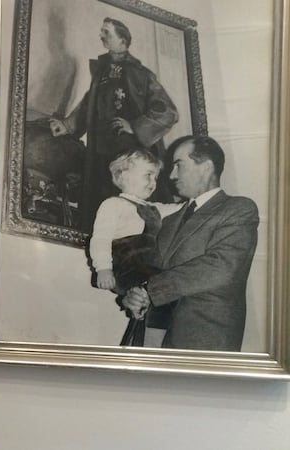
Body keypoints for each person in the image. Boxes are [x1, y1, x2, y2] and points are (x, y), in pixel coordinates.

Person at [121, 136, 259, 351]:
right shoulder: (169, 219)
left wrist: (151, 289)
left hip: (204, 342)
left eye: (178, 165)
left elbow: (221, 267)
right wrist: (134, 293)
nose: (172, 175)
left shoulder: (238, 209)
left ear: (206, 167)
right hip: (152, 341)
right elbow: (148, 269)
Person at [49, 17, 179, 231]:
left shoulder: (141, 75)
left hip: (128, 151)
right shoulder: (101, 73)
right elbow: (89, 104)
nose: (101, 36)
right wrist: (68, 126)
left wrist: (135, 127)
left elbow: (167, 110)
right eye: (102, 31)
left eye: (107, 32)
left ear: (123, 41)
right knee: (101, 205)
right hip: (100, 152)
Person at [88, 148, 181, 345]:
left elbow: (176, 210)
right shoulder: (113, 204)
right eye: (148, 175)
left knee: (165, 297)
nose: (153, 183)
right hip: (127, 264)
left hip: (149, 267)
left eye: (155, 177)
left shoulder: (154, 208)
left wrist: (191, 204)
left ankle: (150, 335)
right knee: (154, 294)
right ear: (124, 175)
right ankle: (143, 322)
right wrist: (103, 268)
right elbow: (101, 238)